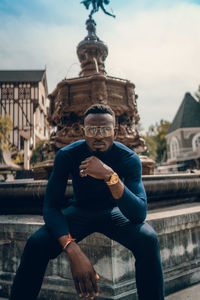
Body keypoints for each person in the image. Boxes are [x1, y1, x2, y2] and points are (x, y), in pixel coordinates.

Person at [10, 104, 164, 300]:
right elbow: (51, 207)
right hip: (79, 212)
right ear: (83, 131)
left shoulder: (129, 158)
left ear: (115, 132)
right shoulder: (67, 155)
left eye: (105, 129)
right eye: (92, 130)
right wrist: (72, 249)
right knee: (36, 243)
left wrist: (109, 176)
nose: (98, 136)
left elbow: (139, 213)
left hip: (113, 212)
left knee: (148, 239)